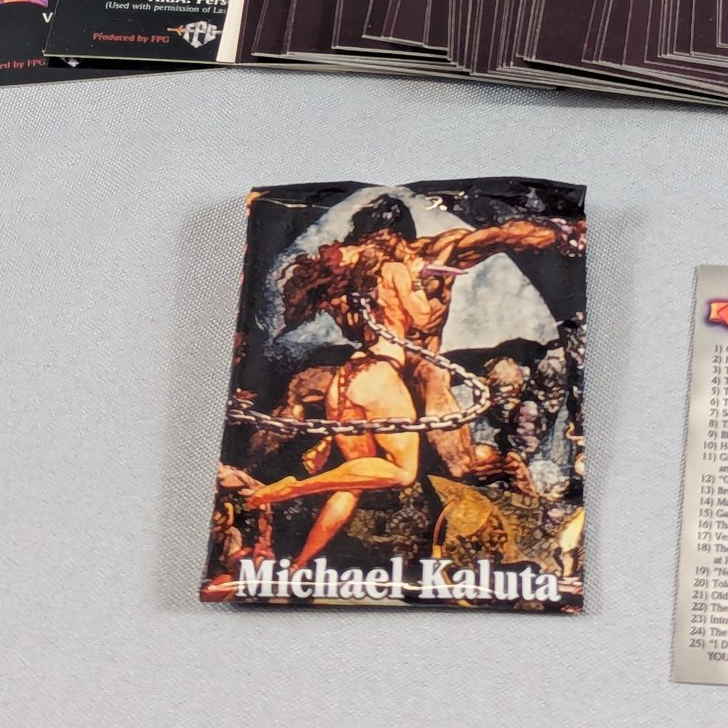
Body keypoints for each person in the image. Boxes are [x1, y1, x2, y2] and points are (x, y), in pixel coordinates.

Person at [217, 194, 584, 566]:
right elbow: (362, 322)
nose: (372, 245)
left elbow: (502, 236)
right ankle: (246, 471)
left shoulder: (432, 252)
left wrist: (563, 236)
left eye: (377, 238)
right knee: (301, 390)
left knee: (457, 466)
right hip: (381, 375)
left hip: (418, 369)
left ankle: (511, 470)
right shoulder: (370, 267)